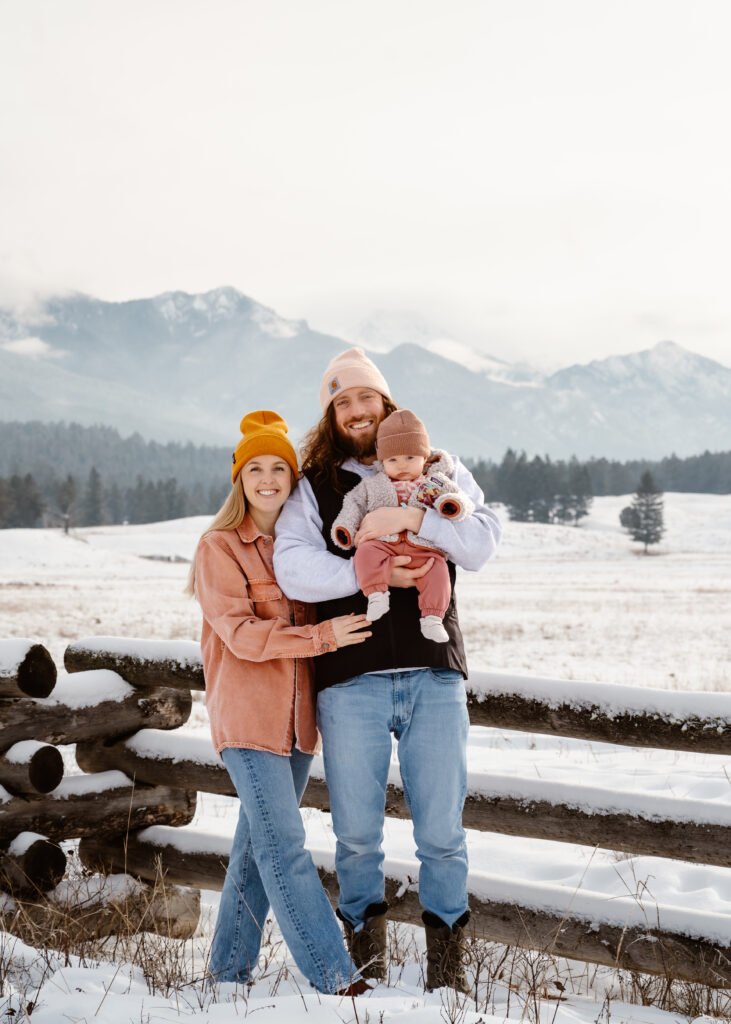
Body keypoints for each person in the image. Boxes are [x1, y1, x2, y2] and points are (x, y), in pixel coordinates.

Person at [273, 349, 502, 991]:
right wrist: (368, 572)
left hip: (434, 672)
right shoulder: (316, 486)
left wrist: (414, 519)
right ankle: (364, 965)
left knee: (442, 833)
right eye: (341, 402)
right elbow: (292, 565)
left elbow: (481, 542)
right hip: (352, 679)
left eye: (365, 397)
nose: (355, 411)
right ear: (330, 416)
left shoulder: (440, 467)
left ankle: (448, 976)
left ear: (386, 402)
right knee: (355, 837)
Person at [188, 409, 372, 995]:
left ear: (293, 478)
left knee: (254, 848)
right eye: (255, 469)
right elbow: (242, 635)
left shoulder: (301, 547)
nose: (268, 480)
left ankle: (227, 974)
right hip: (248, 720)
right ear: (239, 479)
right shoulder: (219, 547)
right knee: (284, 848)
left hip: (295, 726)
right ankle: (335, 978)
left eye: (279, 469)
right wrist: (321, 637)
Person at [331, 408, 474, 643]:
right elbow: (353, 504)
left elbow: (460, 498)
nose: (402, 465)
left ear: (424, 457)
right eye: (393, 460)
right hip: (384, 545)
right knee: (364, 553)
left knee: (438, 570)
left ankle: (432, 617)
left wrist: (451, 505)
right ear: (382, 462)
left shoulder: (435, 483)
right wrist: (345, 528)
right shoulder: (373, 485)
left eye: (410, 458)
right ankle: (376, 594)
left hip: (424, 548)